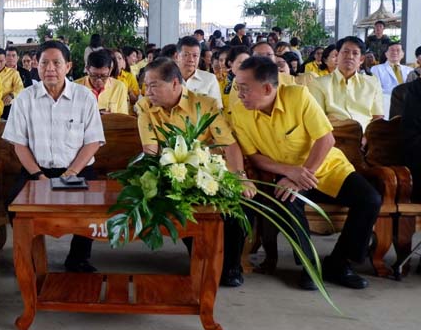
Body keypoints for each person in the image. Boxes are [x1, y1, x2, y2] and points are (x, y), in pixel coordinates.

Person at [231, 56, 380, 290]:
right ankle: (310, 266)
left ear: (268, 87)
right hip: (284, 175)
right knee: (288, 201)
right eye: (236, 87)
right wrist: (290, 173)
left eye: (244, 88)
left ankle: (339, 263)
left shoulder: (298, 97)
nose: (239, 94)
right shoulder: (240, 112)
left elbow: (325, 139)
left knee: (370, 199)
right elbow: (255, 156)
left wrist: (303, 174)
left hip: (326, 168)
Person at [137, 58, 255, 285]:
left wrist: (241, 178)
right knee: (179, 204)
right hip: (172, 173)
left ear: (174, 83)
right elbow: (150, 150)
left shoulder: (205, 104)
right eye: (146, 86)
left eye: (153, 85)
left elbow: (228, 144)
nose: (148, 91)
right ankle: (200, 256)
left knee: (239, 207)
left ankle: (231, 266)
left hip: (210, 171)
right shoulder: (146, 107)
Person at [3, 40, 105, 272]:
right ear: (35, 67)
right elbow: (19, 144)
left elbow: (93, 142)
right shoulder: (24, 99)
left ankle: (78, 258)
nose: (50, 68)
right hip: (37, 170)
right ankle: (29, 256)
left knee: (92, 203)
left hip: (76, 170)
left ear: (68, 66)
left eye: (56, 63)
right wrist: (38, 176)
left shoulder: (84, 97)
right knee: (13, 204)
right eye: (44, 63)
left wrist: (70, 174)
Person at [308, 37, 383, 131]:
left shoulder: (372, 83)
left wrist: (367, 138)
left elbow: (377, 117)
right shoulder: (319, 83)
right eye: (345, 52)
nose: (350, 56)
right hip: (334, 137)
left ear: (361, 59)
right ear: (337, 55)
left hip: (366, 138)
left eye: (355, 53)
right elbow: (317, 119)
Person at [75, 49, 129, 114]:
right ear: (87, 69)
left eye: (104, 76)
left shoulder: (119, 87)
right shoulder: (75, 87)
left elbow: (122, 118)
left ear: (110, 70)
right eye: (94, 75)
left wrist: (110, 117)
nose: (99, 80)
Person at [176, 36, 223, 109]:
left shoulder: (210, 79)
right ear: (177, 57)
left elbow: (217, 109)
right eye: (186, 55)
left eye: (195, 56)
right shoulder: (167, 78)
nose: (191, 59)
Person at [0, 48, 24, 119]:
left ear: (5, 60)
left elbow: (20, 88)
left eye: (1, 61)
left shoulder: (13, 73)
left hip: (6, 104)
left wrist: (11, 95)